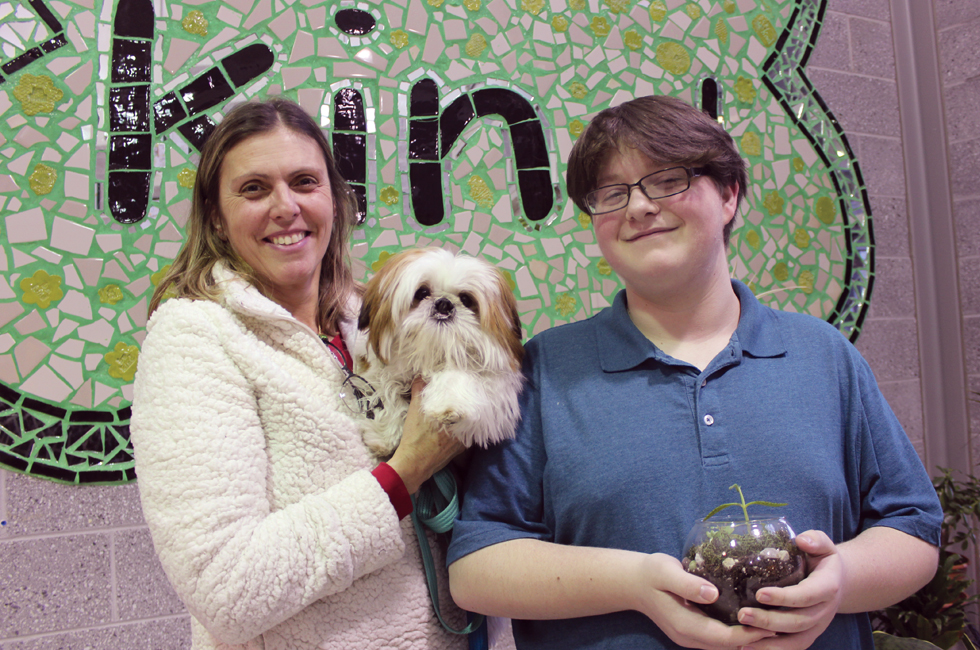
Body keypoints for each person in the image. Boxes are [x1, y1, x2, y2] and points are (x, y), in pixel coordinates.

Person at [446, 95, 943, 650]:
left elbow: (914, 529)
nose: (638, 207)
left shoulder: (824, 355)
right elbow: (475, 567)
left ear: (728, 195)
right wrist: (635, 584)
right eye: (612, 193)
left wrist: (839, 579)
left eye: (667, 179)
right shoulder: (545, 368)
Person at [130, 97, 467, 650]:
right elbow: (228, 591)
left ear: (334, 200)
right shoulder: (194, 337)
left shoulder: (379, 320)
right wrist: (406, 472)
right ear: (215, 214)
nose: (285, 207)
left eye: (305, 182)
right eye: (254, 189)